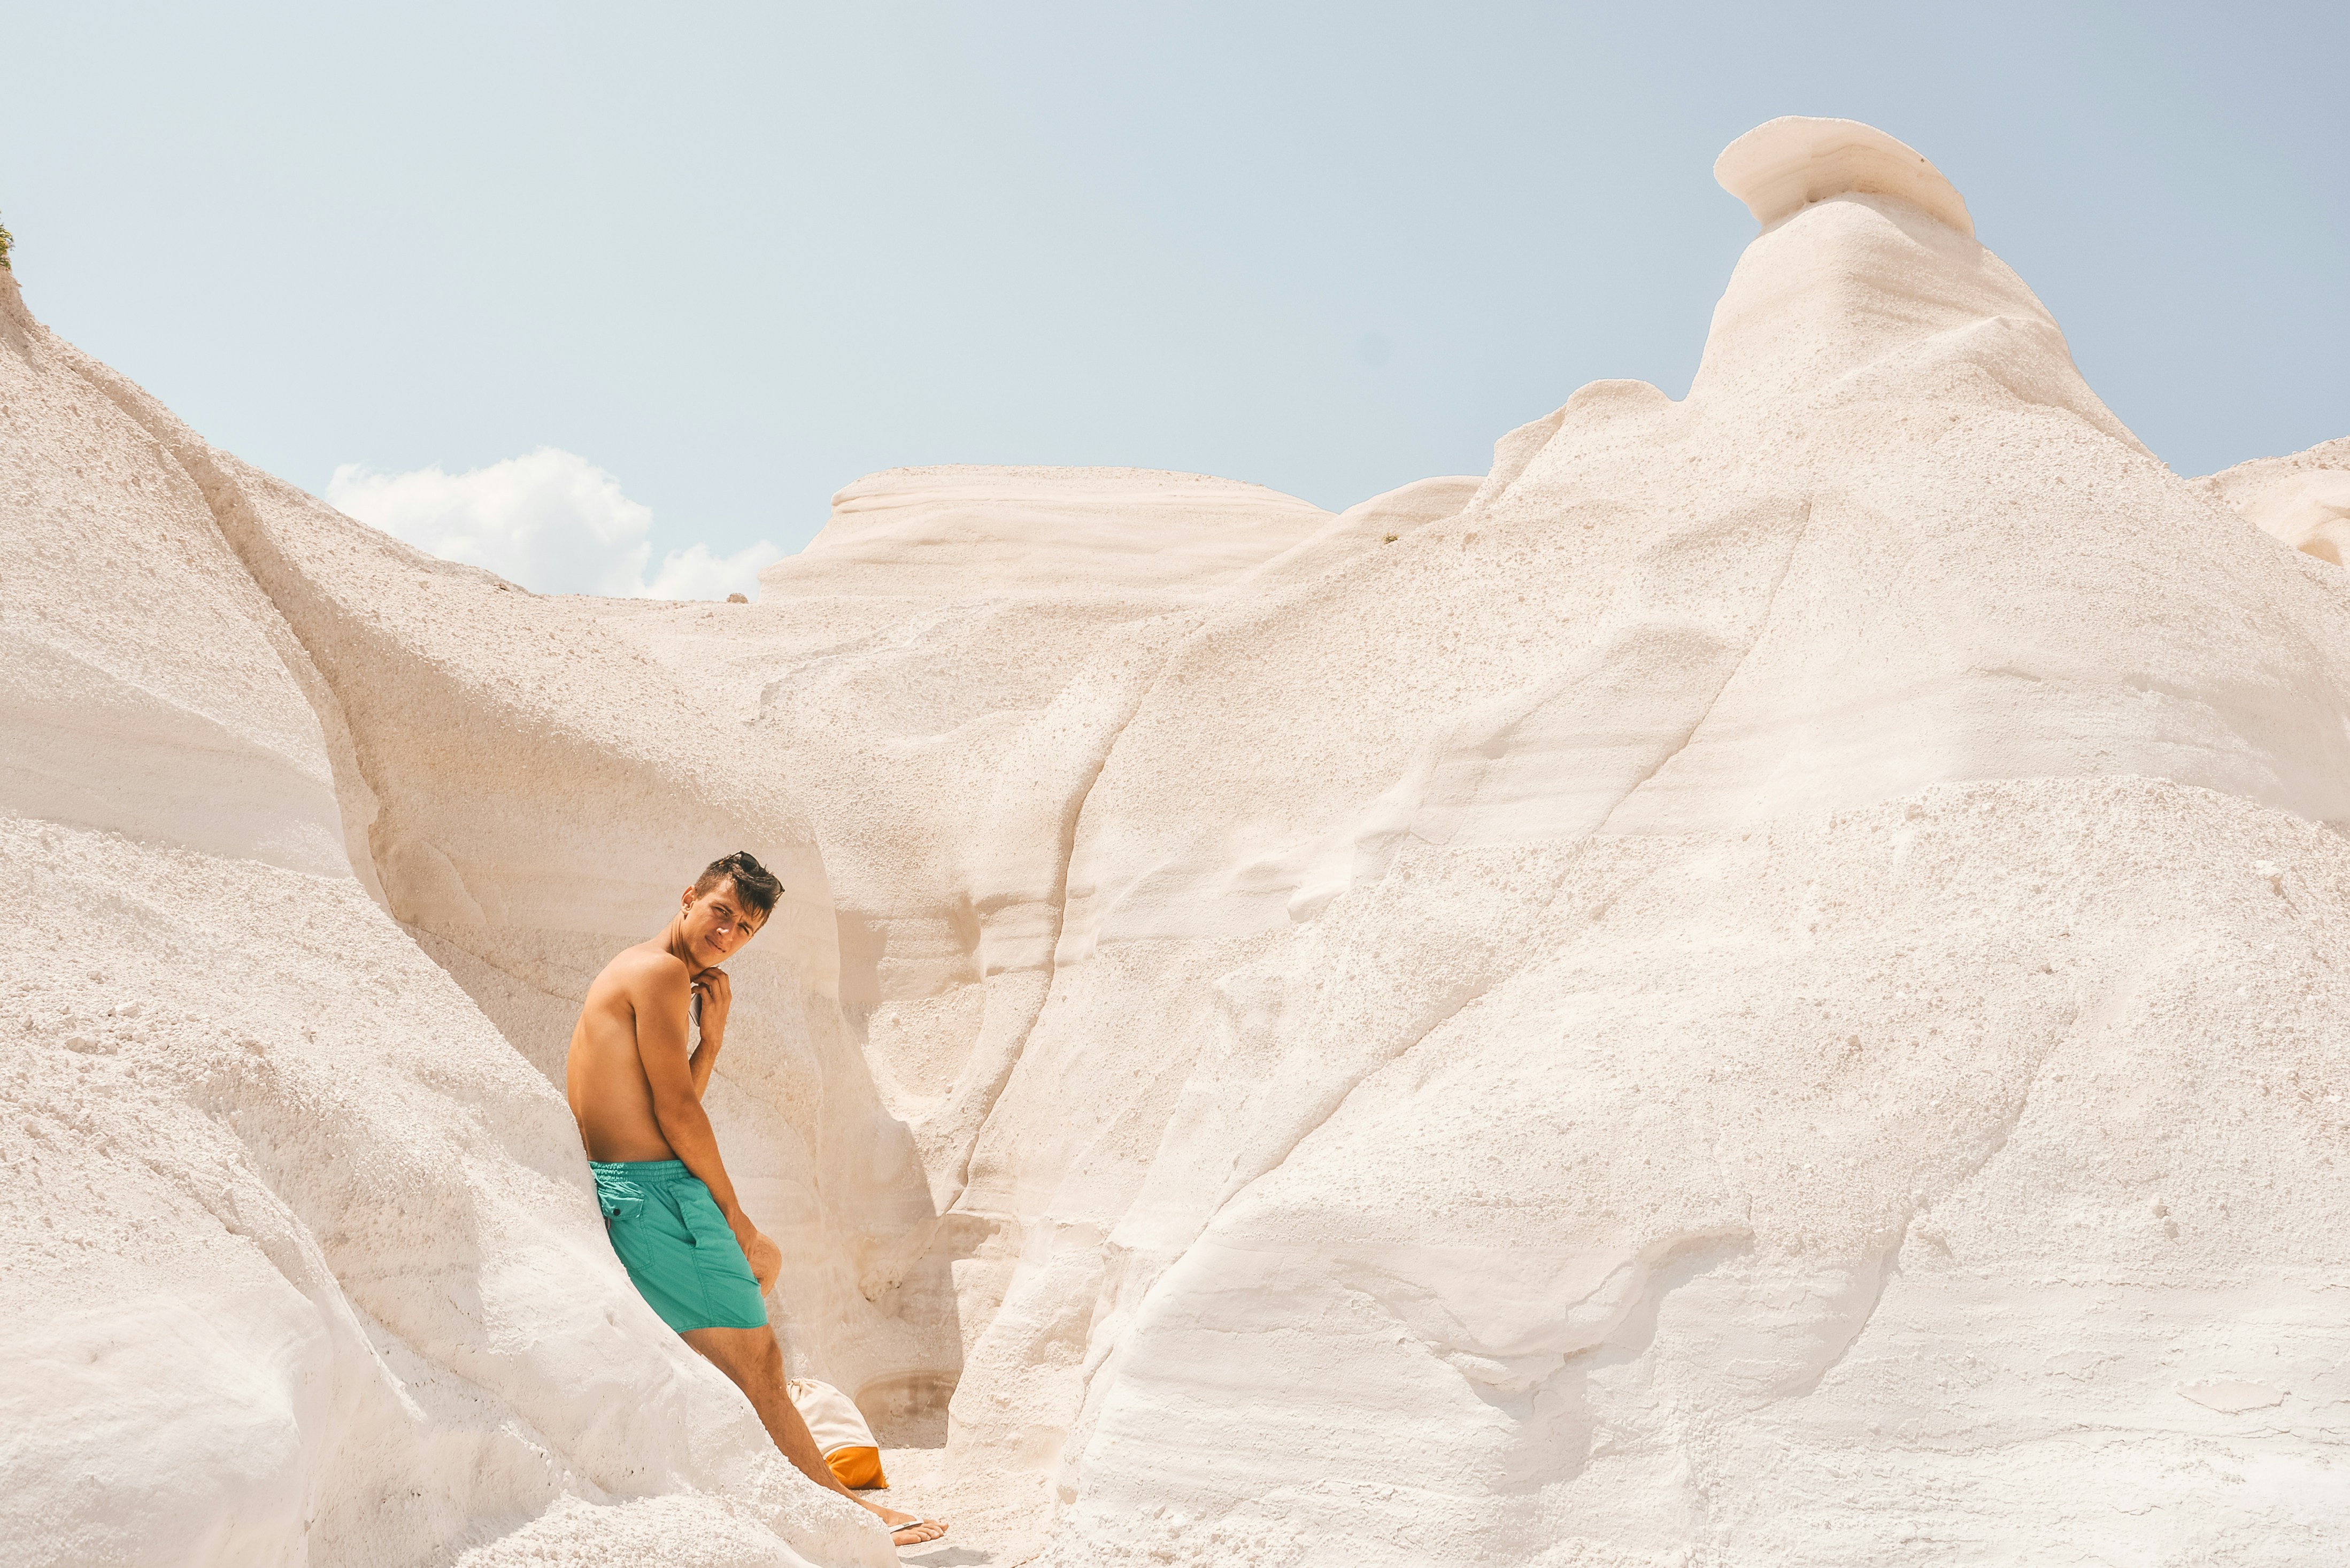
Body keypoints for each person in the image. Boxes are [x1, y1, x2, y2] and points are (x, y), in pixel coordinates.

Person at [566, 852, 946, 1547]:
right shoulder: (659, 973)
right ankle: (849, 1516)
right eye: (721, 912)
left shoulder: (645, 971)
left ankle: (807, 1495)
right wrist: (739, 1222)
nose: (728, 933)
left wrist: (710, 1041)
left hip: (647, 1187)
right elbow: (678, 1116)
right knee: (759, 1358)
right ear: (688, 897)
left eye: (745, 927)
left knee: (750, 1336)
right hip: (654, 1195)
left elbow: (663, 1104)